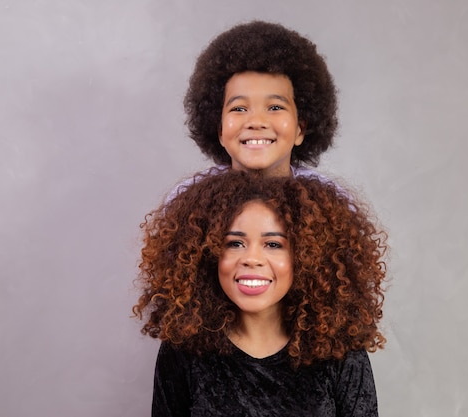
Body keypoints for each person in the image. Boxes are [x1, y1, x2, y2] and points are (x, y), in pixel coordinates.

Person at [133, 171, 388, 416]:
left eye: (273, 244)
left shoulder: (340, 353)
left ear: (308, 257)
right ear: (208, 255)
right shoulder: (183, 351)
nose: (251, 259)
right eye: (235, 243)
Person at [169, 20, 341, 202]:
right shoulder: (188, 202)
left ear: (300, 129)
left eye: (275, 107)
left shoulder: (331, 204)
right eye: (239, 108)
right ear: (220, 130)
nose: (256, 121)